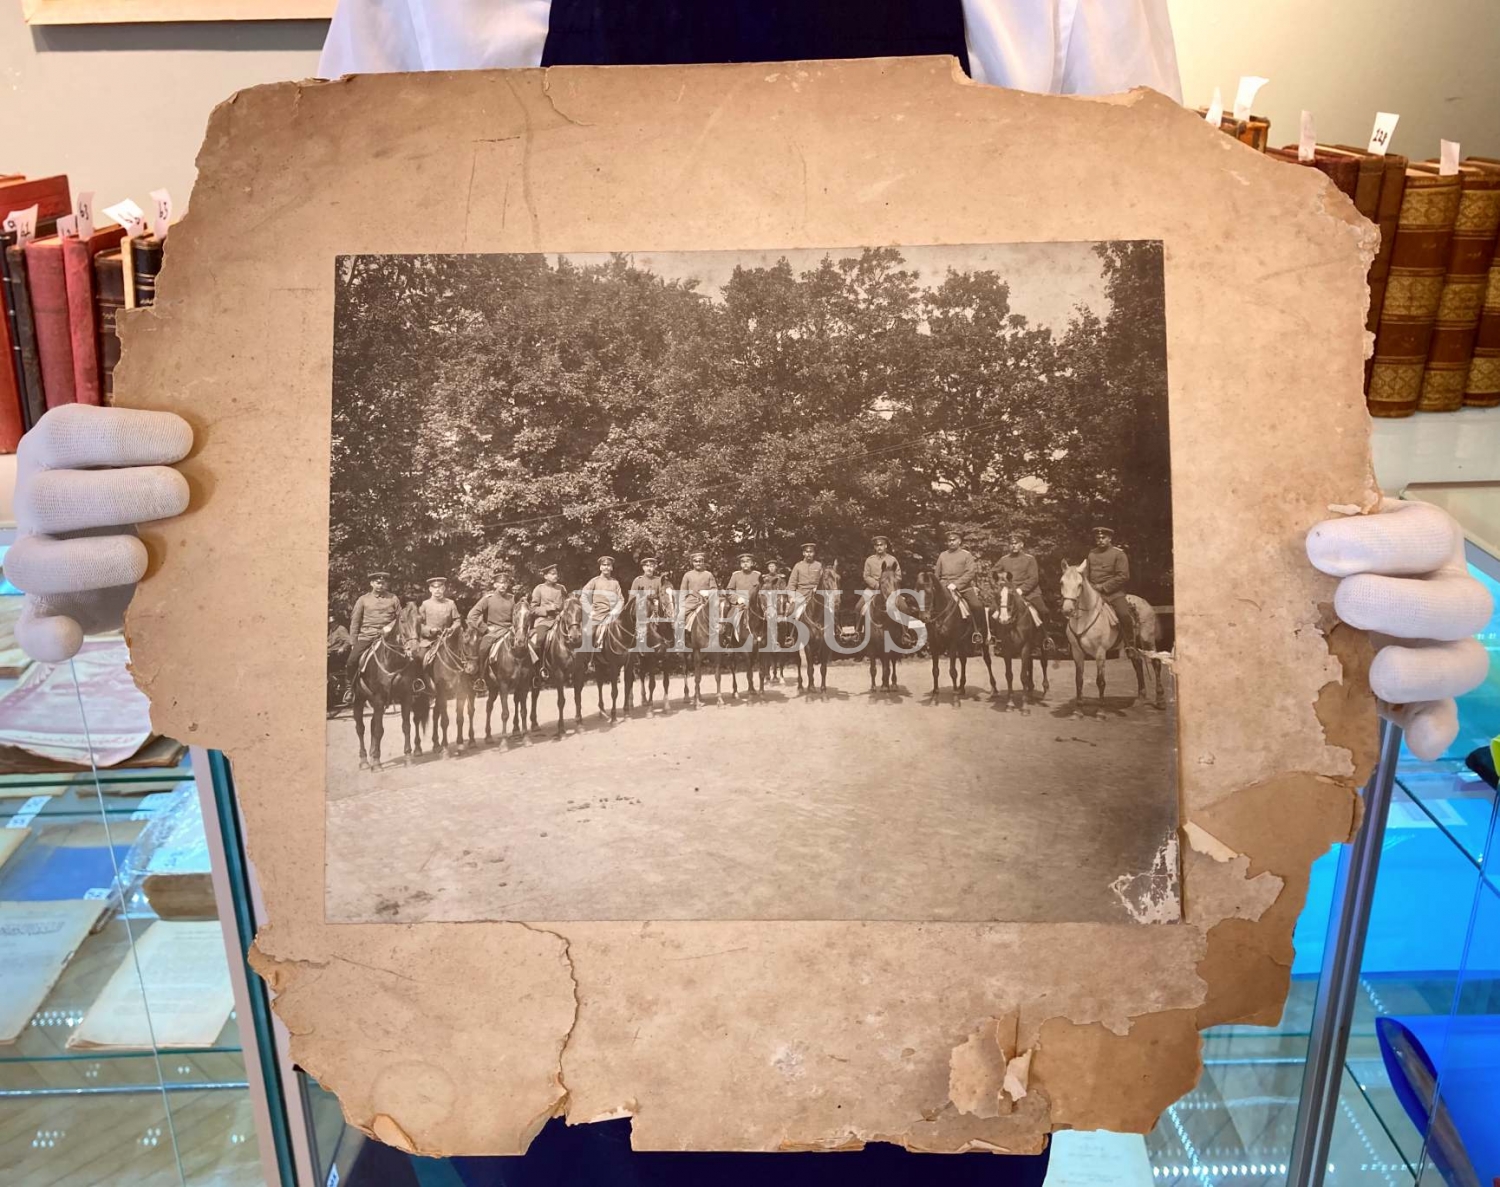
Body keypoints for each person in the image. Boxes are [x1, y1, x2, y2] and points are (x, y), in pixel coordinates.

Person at [3, 6, 1492, 1184]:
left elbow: (1174, 352)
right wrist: (197, 527)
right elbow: (325, 376)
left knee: (908, 633)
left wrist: (1294, 583)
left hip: (951, 1054)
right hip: (527, 1039)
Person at [1084, 526, 1134, 652]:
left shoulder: (1119, 554)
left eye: (1103, 537)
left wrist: (1103, 587)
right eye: (1098, 538)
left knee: (1124, 614)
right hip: (1094, 593)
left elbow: (1123, 576)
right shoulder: (1092, 554)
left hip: (1114, 593)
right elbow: (1086, 575)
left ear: (1110, 538)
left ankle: (1130, 645)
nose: (1100, 540)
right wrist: (1089, 588)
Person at [935, 529, 987, 648]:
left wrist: (957, 584)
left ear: (959, 541)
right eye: (949, 540)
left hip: (963, 588)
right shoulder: (942, 555)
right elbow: (937, 574)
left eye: (954, 540)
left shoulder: (966, 555)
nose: (951, 542)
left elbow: (970, 572)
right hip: (944, 587)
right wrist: (937, 587)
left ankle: (978, 632)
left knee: (977, 606)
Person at [347, 570, 401, 678]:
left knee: (408, 659)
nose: (380, 585)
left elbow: (401, 618)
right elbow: (355, 622)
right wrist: (353, 642)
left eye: (383, 583)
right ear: (371, 583)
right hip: (368, 636)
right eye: (378, 583)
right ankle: (350, 685)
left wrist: (389, 627)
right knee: (351, 661)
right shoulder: (363, 599)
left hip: (389, 637)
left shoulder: (393, 598)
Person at [997, 532, 1045, 628]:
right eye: (1011, 544)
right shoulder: (1003, 560)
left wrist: (1021, 589)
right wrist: (1000, 585)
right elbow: (993, 573)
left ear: (1021, 544)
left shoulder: (1030, 559)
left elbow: (1034, 578)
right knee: (992, 612)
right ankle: (992, 635)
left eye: (1016, 543)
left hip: (1030, 593)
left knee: (1044, 611)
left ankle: (1045, 635)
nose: (1013, 546)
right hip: (1009, 593)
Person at [466, 571, 517, 658]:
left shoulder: (512, 598)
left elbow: (518, 616)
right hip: (494, 631)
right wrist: (485, 629)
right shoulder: (488, 599)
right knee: (483, 648)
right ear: (495, 585)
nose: (503, 585)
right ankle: (481, 666)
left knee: (530, 649)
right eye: (500, 583)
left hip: (511, 631)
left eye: (505, 583)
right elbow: (472, 616)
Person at [417, 576, 461, 666]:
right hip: (429, 641)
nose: (437, 590)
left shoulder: (450, 603)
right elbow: (419, 624)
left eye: (440, 587)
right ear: (430, 589)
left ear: (444, 589)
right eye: (434, 587)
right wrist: (430, 630)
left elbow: (457, 621)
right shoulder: (425, 604)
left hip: (447, 639)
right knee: (418, 659)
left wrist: (452, 629)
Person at [580, 555, 623, 645]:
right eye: (604, 565)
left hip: (611, 615)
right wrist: (590, 610)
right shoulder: (594, 581)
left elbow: (621, 600)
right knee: (586, 635)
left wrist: (615, 611)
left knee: (620, 637)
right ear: (600, 567)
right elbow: (583, 596)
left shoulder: (615, 583)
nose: (606, 567)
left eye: (608, 565)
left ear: (612, 568)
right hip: (597, 615)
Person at [679, 551, 717, 630]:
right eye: (696, 561)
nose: (698, 563)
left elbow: (715, 590)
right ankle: (681, 636)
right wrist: (681, 606)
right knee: (680, 617)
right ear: (692, 563)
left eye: (700, 561)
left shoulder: (708, 574)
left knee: (719, 619)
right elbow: (683, 592)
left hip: (706, 602)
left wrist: (708, 593)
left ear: (703, 562)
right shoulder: (687, 575)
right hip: (691, 602)